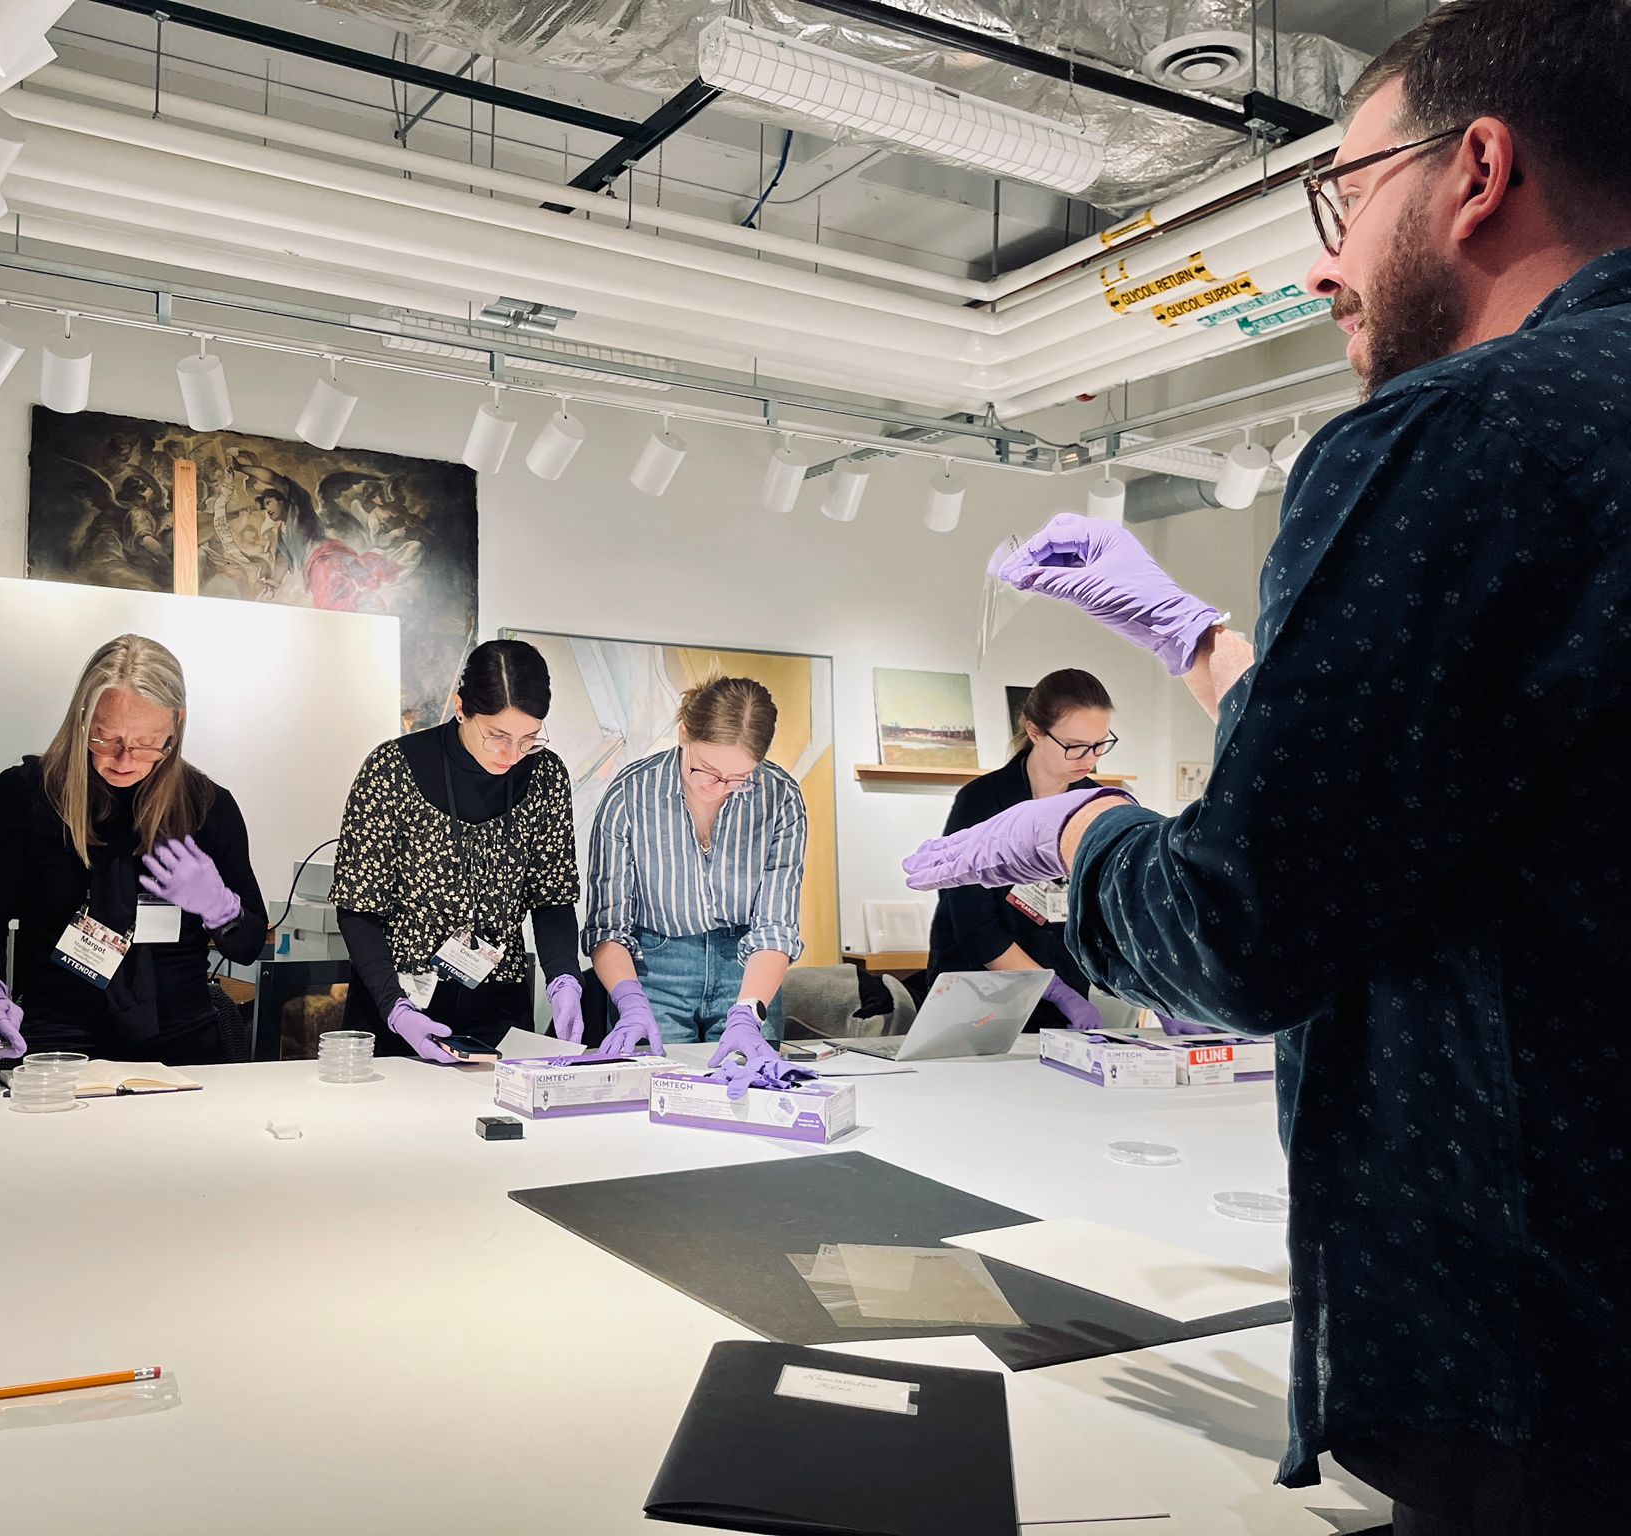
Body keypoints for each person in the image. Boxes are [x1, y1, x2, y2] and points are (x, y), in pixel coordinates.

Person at [905, 2, 1631, 1528]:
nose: (1324, 261)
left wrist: (1083, 833)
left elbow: (1247, 921)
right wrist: (1199, 644)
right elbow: (1483, 771)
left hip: (1541, 1387)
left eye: (1348, 192)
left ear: (1477, 168)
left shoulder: (1470, 430)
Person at [0, 634, 271, 1066]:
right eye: (105, 738)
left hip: (183, 1042)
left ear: (176, 725)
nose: (124, 760)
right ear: (82, 717)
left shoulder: (207, 806)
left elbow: (250, 945)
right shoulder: (25, 797)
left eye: (146, 743)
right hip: (58, 1041)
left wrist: (220, 908)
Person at [332, 638, 582, 1061]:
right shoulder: (392, 769)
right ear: (461, 707)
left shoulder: (546, 776)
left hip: (498, 1007)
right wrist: (396, 1008)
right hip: (399, 1000)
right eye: (498, 736)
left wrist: (564, 979)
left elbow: (552, 899)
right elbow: (358, 910)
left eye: (528, 739)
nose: (512, 754)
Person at [583, 677, 805, 1077]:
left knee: (753, 1094)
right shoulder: (631, 794)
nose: (718, 788)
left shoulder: (780, 797)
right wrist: (631, 1002)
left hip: (747, 969)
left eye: (739, 778)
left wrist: (749, 1011)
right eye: (707, 769)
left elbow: (776, 926)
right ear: (684, 734)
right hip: (655, 969)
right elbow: (607, 927)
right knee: (655, 1095)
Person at [921, 669, 1114, 1034]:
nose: (1090, 758)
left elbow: (1111, 915)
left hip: (1064, 1003)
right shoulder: (982, 802)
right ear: (1035, 732)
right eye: (1074, 745)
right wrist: (1053, 989)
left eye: (1100, 744)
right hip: (979, 997)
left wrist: (1160, 995)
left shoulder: (1099, 807)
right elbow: (973, 923)